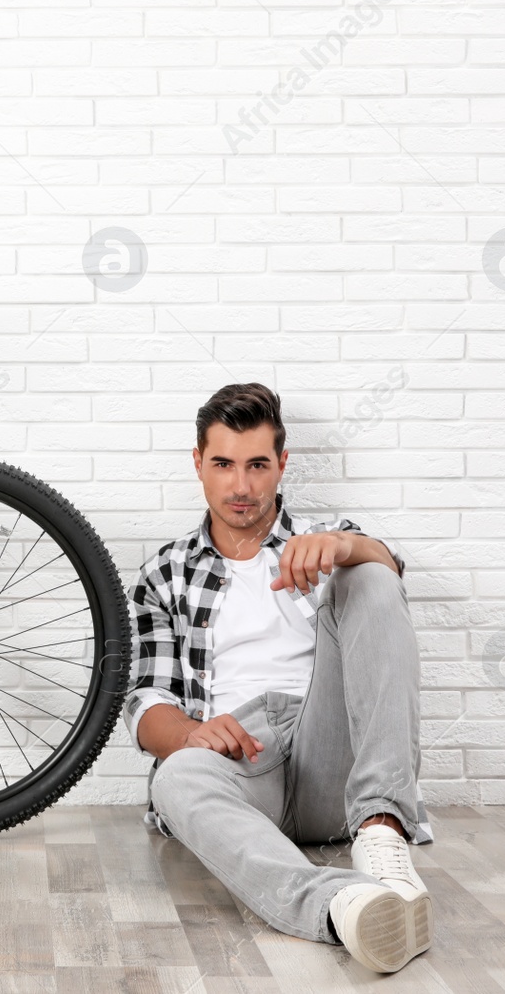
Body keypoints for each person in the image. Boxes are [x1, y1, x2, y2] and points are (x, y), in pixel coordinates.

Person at [125, 382, 434, 973]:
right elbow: (145, 698)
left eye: (257, 465)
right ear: (198, 463)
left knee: (370, 576)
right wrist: (189, 734)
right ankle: (347, 904)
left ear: (281, 465)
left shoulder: (322, 543)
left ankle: (381, 832)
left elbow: (390, 576)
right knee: (174, 778)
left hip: (330, 753)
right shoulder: (163, 572)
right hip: (241, 758)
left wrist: (346, 547)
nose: (241, 487)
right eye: (223, 464)